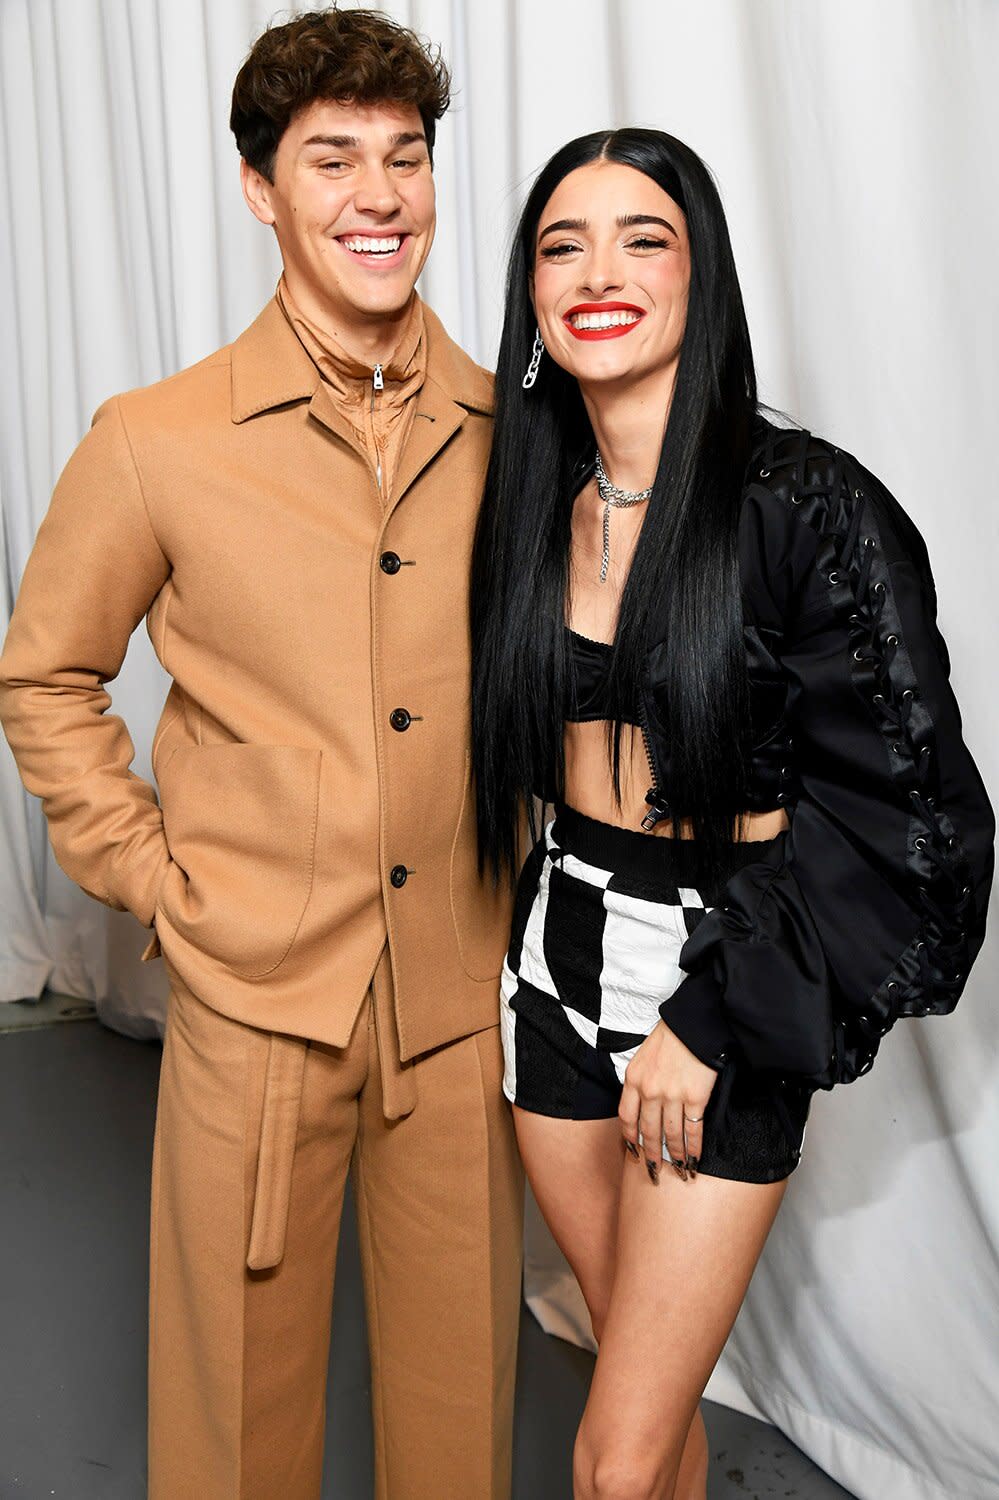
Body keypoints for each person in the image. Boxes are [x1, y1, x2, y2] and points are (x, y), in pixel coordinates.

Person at [0, 10, 523, 1498]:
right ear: (260, 189)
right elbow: (46, 677)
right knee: (233, 1423)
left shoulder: (514, 428)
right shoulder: (154, 441)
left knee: (462, 1416)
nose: (380, 194)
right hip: (253, 997)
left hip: (455, 995)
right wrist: (162, 887)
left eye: (406, 157)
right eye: (333, 157)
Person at [471, 127, 994, 1500]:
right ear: (530, 300)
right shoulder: (537, 506)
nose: (598, 271)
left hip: (722, 975)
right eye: (560, 245)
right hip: (552, 964)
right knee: (640, 1403)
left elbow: (916, 819)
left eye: (644, 239)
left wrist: (710, 1019)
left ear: (704, 282)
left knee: (615, 1462)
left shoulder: (804, 507)